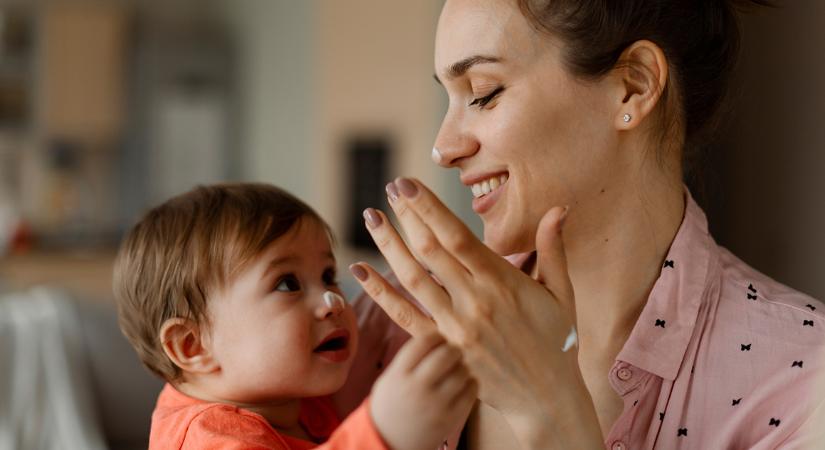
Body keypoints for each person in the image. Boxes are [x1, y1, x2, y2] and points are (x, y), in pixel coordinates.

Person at [336, 0, 825, 449]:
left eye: (483, 93)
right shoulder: (382, 330)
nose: (443, 149)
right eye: (450, 97)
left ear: (632, 85)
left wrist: (550, 410)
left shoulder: (802, 379)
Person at [113, 183, 477, 450]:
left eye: (328, 276)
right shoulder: (207, 437)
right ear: (194, 346)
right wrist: (381, 431)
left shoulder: (289, 394)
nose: (333, 300)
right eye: (287, 284)